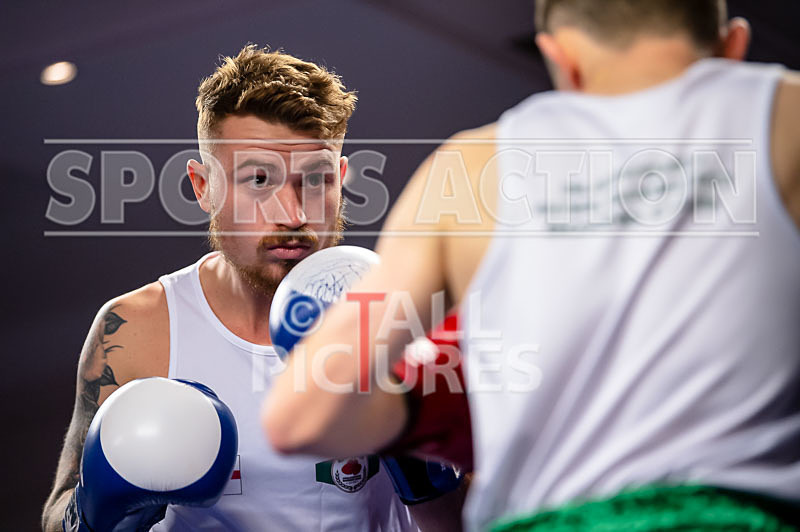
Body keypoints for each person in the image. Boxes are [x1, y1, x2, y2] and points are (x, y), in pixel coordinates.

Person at [262, 1, 800, 530]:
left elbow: (298, 419)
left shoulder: (469, 167)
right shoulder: (786, 116)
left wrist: (417, 412)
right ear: (733, 46)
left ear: (559, 57)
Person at [42, 44, 463, 531]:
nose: (293, 214)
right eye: (259, 180)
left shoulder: (405, 316)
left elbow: (487, 514)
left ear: (342, 180)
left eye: (316, 180)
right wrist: (99, 510)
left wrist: (428, 472)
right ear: (203, 187)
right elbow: (57, 515)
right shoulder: (139, 329)